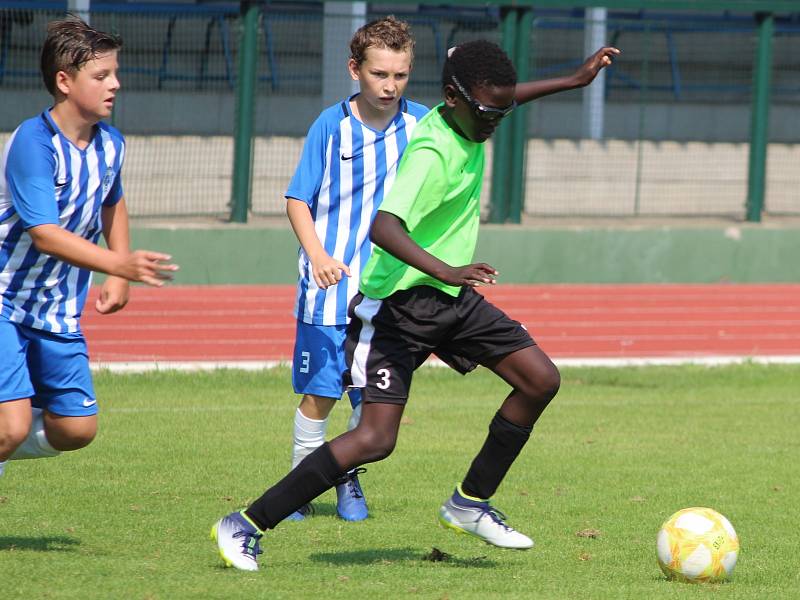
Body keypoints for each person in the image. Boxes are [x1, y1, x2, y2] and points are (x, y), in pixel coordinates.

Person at [212, 39, 619, 571]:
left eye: (503, 107)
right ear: (454, 98)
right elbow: (384, 227)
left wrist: (574, 79)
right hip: (398, 306)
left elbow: (501, 94)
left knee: (540, 378)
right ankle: (244, 524)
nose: (497, 117)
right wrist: (447, 269)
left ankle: (470, 503)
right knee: (375, 439)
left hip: (450, 298)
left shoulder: (472, 113)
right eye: (489, 109)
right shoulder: (431, 152)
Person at [0, 17, 177, 479]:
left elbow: (113, 204)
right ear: (64, 81)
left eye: (114, 73)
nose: (115, 85)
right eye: (101, 76)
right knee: (11, 427)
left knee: (77, 428)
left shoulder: (111, 144)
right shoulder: (33, 144)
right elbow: (45, 233)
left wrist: (117, 275)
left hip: (57, 311)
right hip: (4, 302)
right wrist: (119, 262)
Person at [281, 16, 427, 522]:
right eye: (380, 74)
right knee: (321, 393)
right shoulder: (331, 125)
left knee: (371, 403)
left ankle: (344, 477)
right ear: (354, 71)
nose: (390, 86)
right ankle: (300, 486)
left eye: (401, 75)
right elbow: (298, 198)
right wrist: (319, 256)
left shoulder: (422, 125)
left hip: (388, 291)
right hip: (329, 288)